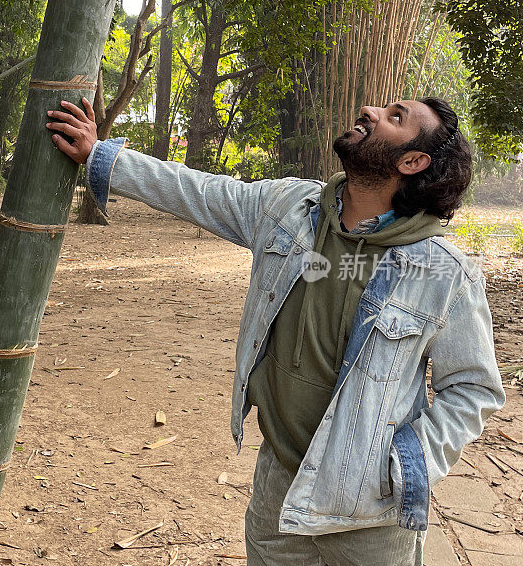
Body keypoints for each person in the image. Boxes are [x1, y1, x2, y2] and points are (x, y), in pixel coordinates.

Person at [45, 96, 505, 566]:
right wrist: (101, 154)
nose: (369, 111)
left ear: (412, 161)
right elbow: (199, 191)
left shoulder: (444, 273)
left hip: (369, 512)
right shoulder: (287, 208)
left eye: (395, 118)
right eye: (380, 107)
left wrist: (406, 464)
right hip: (278, 488)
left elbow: (472, 388)